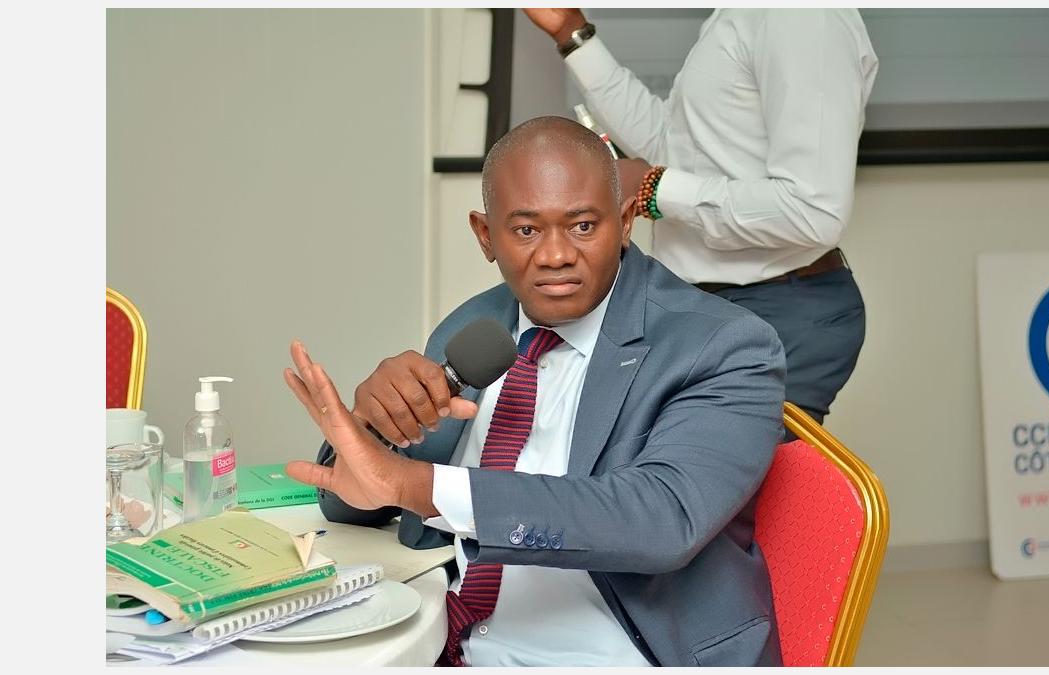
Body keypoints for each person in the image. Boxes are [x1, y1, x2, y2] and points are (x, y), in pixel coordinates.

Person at [282, 117, 787, 666]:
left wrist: (416, 485)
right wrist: (373, 431)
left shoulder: (721, 345)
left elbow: (663, 520)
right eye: (526, 231)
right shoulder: (474, 329)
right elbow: (355, 502)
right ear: (485, 236)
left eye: (583, 226)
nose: (555, 255)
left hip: (620, 653)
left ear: (624, 222)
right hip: (455, 641)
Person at [523, 8, 878, 423]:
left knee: (702, 463)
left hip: (776, 311)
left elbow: (813, 209)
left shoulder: (802, 17)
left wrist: (655, 189)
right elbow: (670, 144)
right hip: (712, 307)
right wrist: (571, 33)